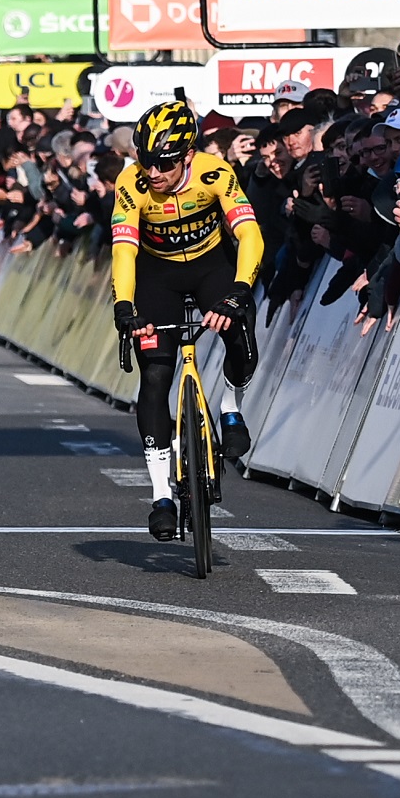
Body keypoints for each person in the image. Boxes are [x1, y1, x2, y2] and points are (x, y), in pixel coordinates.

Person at [109, 98, 265, 543]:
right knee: (156, 376)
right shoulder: (130, 183)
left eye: (165, 164)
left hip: (211, 266)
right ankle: (161, 493)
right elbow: (124, 250)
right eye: (146, 161)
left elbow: (249, 233)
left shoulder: (216, 173)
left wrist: (239, 290)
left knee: (240, 334)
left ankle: (230, 408)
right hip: (157, 276)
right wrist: (125, 305)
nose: (153, 172)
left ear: (189, 156)